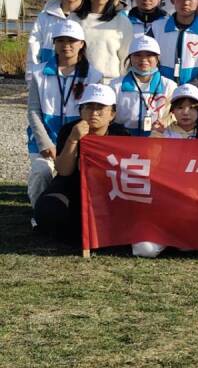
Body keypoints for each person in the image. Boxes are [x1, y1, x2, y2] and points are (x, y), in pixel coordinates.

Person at [32, 83, 129, 247]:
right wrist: (73, 139)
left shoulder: (121, 135)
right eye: (89, 107)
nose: (94, 113)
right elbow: (63, 171)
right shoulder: (69, 130)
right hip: (72, 184)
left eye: (100, 108)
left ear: (112, 114)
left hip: (107, 189)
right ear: (80, 111)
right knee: (49, 208)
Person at [26, 19, 101, 206]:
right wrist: (44, 142)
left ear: (81, 44)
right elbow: (33, 110)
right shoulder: (39, 72)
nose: (66, 45)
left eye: (71, 41)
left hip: (78, 140)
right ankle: (39, 214)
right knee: (41, 173)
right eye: (60, 40)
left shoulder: (93, 75)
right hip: (45, 139)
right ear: (54, 43)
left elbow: (95, 111)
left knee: (79, 178)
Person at [109, 34, 178, 136]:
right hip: (123, 140)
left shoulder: (169, 86)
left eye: (149, 55)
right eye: (138, 55)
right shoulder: (115, 86)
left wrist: (165, 122)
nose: (143, 59)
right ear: (130, 57)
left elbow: (176, 116)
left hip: (157, 139)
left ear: (157, 58)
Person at [74, 0, 134, 79]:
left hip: (109, 82)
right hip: (78, 81)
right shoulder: (73, 19)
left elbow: (126, 60)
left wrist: (122, 84)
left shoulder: (122, 22)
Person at [27, 0, 86, 79]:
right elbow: (33, 50)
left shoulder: (88, 18)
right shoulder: (45, 17)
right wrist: (32, 78)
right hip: (48, 78)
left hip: (80, 79)